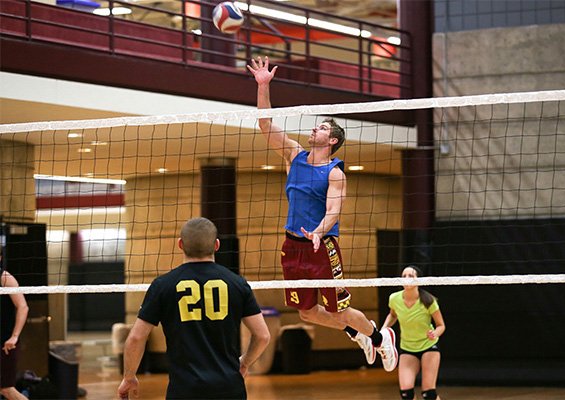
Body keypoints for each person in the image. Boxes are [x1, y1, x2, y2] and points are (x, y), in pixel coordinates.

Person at [247, 56, 398, 372]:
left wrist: (318, 231)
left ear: (332, 141)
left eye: (323, 127)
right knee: (307, 313)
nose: (315, 127)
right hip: (292, 246)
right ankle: (358, 333)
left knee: (340, 311)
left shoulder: (334, 173)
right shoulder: (293, 155)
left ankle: (380, 337)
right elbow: (265, 124)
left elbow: (333, 211)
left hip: (322, 247)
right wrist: (263, 86)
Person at [117, 217, 270, 400]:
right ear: (217, 245)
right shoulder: (237, 284)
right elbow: (262, 336)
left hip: (184, 390)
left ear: (180, 244)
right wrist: (244, 363)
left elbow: (136, 337)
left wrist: (129, 376)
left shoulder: (162, 285)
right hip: (229, 388)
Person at [382, 266, 446, 400]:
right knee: (406, 393)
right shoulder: (394, 299)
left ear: (418, 280)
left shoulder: (428, 301)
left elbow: (441, 326)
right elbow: (393, 315)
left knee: (428, 393)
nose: (407, 279)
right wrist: (383, 329)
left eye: (411, 276)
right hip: (407, 347)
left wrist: (435, 333)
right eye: (404, 276)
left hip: (428, 346)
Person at [0, 253, 29, 400]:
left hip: (5, 343)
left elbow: (23, 307)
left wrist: (15, 336)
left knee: (7, 389)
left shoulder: (5, 278)